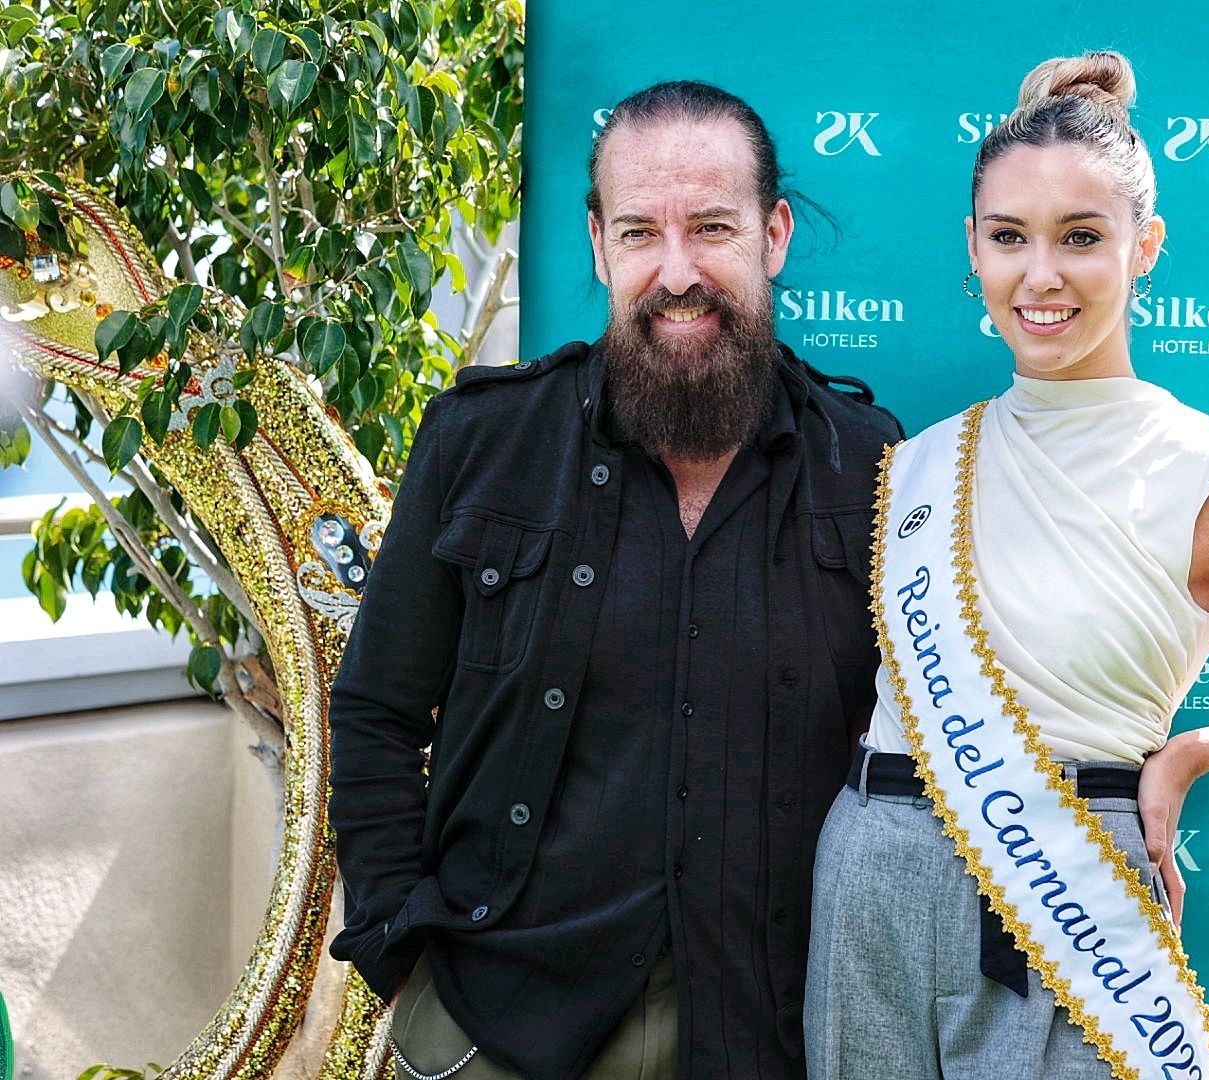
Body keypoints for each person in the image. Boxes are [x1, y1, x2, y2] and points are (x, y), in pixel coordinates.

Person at [804, 51, 1209, 1079]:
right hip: (871, 872)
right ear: (971, 247)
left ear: (1144, 245)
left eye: (1081, 238)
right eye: (1010, 237)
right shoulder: (920, 460)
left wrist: (1196, 753)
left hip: (1069, 883)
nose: (1042, 274)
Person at [327, 80, 902, 1080]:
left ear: (773, 235)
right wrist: (404, 950)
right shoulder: (481, 441)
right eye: (641, 233)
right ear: (598, 245)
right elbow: (376, 711)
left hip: (770, 1030)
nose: (677, 272)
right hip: (497, 1025)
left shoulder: (868, 463)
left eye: (712, 227)